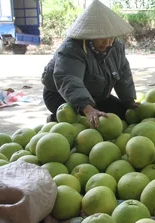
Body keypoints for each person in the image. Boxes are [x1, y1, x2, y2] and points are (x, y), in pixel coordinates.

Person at [41, 0, 138, 128]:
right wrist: (88, 109)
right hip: (59, 95)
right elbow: (69, 79)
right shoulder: (71, 49)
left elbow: (124, 75)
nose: (108, 42)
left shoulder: (115, 48)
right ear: (90, 35)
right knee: (91, 122)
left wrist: (129, 101)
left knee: (123, 114)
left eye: (111, 37)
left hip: (95, 96)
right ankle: (55, 119)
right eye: (102, 37)